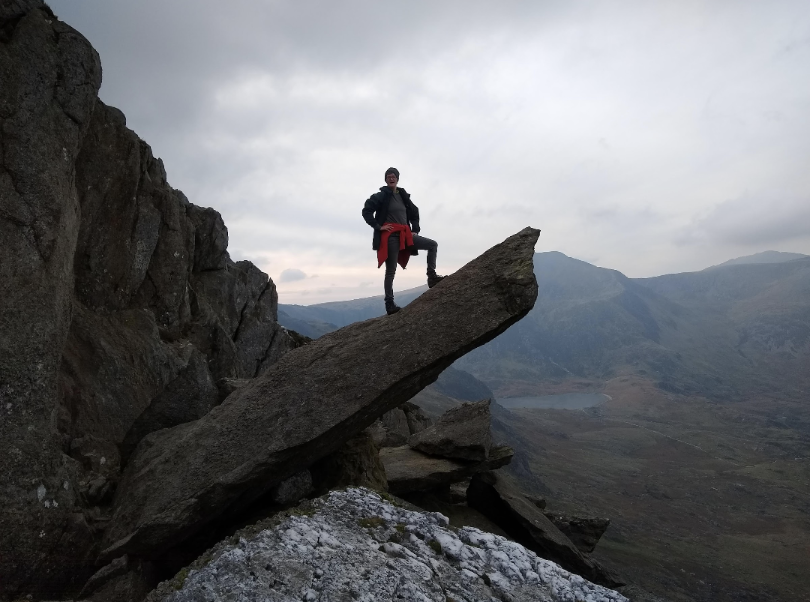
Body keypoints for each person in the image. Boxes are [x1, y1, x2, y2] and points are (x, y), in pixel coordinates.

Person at [362, 167, 444, 315]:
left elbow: (414, 212)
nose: (391, 178)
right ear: (385, 179)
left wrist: (415, 228)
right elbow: (366, 211)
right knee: (391, 271)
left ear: (397, 178)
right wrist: (378, 226)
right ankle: (389, 304)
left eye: (393, 176)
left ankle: (431, 277)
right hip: (391, 236)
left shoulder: (403, 195)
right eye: (388, 176)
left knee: (432, 245)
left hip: (405, 234)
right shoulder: (381, 196)